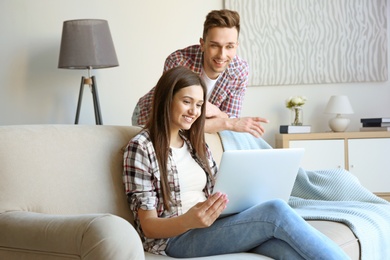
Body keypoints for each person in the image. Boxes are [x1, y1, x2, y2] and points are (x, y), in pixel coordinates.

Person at [123, 66, 349, 259]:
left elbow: (217, 189)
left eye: (199, 105)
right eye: (186, 102)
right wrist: (189, 220)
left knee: (282, 249)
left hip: (212, 225)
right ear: (166, 100)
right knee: (276, 210)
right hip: (175, 239)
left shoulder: (193, 142)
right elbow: (149, 226)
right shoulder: (141, 147)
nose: (194, 111)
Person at [132, 9, 269, 138]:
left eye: (229, 46)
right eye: (215, 45)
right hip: (150, 116)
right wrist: (226, 121)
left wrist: (218, 113)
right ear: (202, 44)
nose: (222, 55)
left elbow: (230, 118)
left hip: (195, 122)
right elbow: (174, 120)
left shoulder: (239, 70)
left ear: (236, 46)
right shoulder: (178, 61)